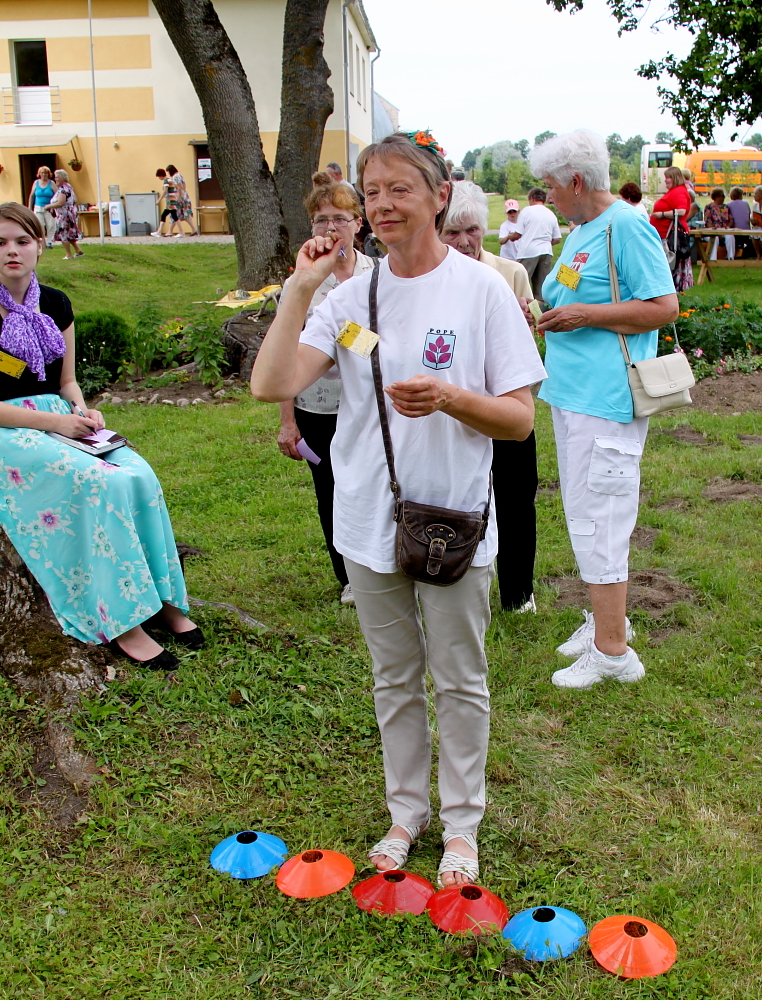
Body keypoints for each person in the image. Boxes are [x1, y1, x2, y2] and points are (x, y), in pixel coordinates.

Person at [250, 131, 546, 886]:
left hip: (453, 520)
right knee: (393, 678)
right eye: (371, 191)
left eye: (399, 189)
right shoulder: (351, 297)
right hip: (366, 519)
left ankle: (462, 826)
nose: (381, 204)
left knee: (460, 678)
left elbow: (519, 420)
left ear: (439, 196)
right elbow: (270, 383)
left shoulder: (482, 289)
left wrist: (449, 397)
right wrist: (299, 291)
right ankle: (405, 813)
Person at [0, 203, 200, 670]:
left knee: (140, 476)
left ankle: (160, 598)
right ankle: (121, 620)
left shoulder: (56, 303)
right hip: (1, 430)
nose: (12, 251)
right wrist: (58, 424)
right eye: (0, 242)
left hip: (59, 416)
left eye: (22, 241)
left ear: (39, 246)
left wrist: (81, 411)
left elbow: (66, 382)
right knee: (100, 482)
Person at [528, 129, 678, 689]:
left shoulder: (627, 226)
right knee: (584, 512)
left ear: (575, 181)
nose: (547, 195)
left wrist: (585, 316)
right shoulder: (583, 230)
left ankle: (613, 653)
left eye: (550, 185)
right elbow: (567, 296)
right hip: (572, 393)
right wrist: (543, 311)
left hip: (607, 398)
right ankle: (605, 621)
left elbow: (664, 306)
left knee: (602, 518)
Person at [274, 171, 375, 605]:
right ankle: (348, 576)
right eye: (320, 220)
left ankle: (381, 566)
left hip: (371, 403)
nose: (330, 228)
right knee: (332, 490)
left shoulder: (379, 272)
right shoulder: (302, 282)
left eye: (339, 218)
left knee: (374, 485)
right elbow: (284, 354)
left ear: (358, 223)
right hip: (319, 406)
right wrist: (288, 421)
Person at [439, 181, 538, 613]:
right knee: (455, 499)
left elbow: (527, 347)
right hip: (453, 410)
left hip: (504, 405)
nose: (465, 241)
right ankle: (451, 580)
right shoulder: (430, 278)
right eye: (453, 232)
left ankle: (518, 593)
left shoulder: (510, 272)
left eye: (473, 230)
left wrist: (527, 324)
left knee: (516, 498)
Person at [651, 166, 695, 288]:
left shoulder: (679, 191)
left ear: (675, 178)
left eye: (668, 178)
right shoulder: (675, 191)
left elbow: (681, 211)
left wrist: (662, 214)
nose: (665, 180)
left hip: (670, 235)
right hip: (664, 233)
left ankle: (672, 287)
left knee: (671, 262)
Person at [516, 186, 562, 300]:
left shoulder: (527, 211)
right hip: (546, 251)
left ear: (532, 198)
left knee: (521, 284)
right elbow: (557, 238)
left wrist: (508, 237)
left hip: (528, 252)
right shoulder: (551, 214)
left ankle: (521, 306)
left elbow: (518, 234)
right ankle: (539, 308)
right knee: (541, 287)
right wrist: (545, 242)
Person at [48, 168, 83, 259]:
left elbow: (60, 202)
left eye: (57, 177)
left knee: (63, 234)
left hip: (64, 216)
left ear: (62, 177)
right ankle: (78, 250)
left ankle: (69, 254)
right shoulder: (68, 187)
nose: (55, 179)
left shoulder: (63, 189)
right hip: (69, 214)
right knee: (69, 234)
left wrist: (48, 206)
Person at [704, 187, 735, 260]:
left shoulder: (726, 207)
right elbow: (708, 222)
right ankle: (713, 259)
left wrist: (727, 227)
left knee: (730, 237)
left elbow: (731, 220)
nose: (724, 197)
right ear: (716, 197)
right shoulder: (709, 207)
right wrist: (716, 231)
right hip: (713, 231)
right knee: (715, 239)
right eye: (722, 196)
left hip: (724, 230)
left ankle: (731, 258)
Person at [29, 166, 57, 248]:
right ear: (39, 174)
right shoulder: (36, 183)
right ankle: (42, 242)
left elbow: (57, 194)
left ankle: (49, 242)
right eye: (42, 173)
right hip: (38, 208)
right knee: (40, 225)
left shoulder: (51, 183)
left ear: (48, 174)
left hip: (49, 208)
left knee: (51, 225)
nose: (44, 175)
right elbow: (32, 196)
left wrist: (54, 204)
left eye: (45, 173)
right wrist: (29, 207)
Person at [727, 185, 754, 258]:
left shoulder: (728, 205)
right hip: (747, 231)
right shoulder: (746, 203)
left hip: (735, 232)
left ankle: (733, 255)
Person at [153, 167, 180, 236]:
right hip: (172, 200)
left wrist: (159, 200)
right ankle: (159, 232)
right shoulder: (170, 180)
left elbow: (165, 191)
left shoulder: (166, 181)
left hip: (170, 201)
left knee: (174, 217)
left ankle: (181, 232)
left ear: (161, 175)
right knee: (164, 215)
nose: (159, 178)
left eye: (159, 177)